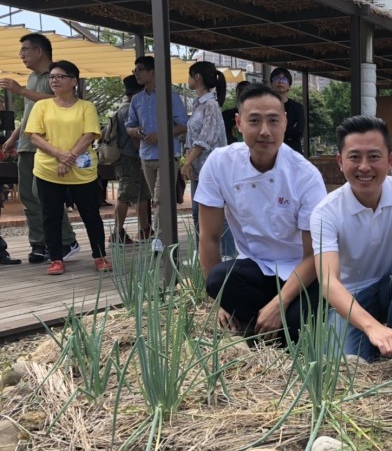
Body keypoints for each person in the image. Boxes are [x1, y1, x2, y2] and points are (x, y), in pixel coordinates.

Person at [194, 84, 326, 342]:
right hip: (257, 268)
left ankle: (263, 324)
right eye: (254, 121)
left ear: (285, 122)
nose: (265, 131)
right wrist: (222, 301)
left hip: (302, 274)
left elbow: (315, 255)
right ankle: (264, 324)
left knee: (299, 329)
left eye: (273, 120)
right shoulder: (220, 163)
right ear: (238, 123)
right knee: (219, 279)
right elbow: (208, 238)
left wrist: (281, 302)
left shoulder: (305, 175)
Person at [310, 116, 392, 363]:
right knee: (346, 365)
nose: (364, 167)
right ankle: (379, 338)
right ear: (340, 162)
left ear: (391, 160)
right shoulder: (326, 212)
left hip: (391, 289)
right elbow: (327, 282)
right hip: (351, 300)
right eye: (355, 157)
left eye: (374, 157)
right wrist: (373, 327)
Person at [25, 60, 110, 275]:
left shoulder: (86, 107)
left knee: (90, 214)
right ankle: (56, 258)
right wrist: (61, 156)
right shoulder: (41, 106)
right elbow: (35, 136)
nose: (54, 80)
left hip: (81, 171)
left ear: (73, 81)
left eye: (60, 76)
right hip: (48, 170)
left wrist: (69, 158)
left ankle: (100, 256)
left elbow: (89, 134)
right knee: (50, 215)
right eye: (52, 77)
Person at [0, 33, 80, 263]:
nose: (21, 55)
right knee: (28, 196)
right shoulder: (32, 78)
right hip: (27, 144)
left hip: (47, 146)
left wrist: (21, 91)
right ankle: (39, 243)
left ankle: (66, 240)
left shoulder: (55, 76)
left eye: (25, 50)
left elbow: (58, 102)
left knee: (43, 194)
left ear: (39, 51)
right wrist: (14, 137)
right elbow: (30, 113)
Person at [125, 55, 189, 238]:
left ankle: (159, 238)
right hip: (146, 156)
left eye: (140, 70)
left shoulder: (171, 96)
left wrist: (161, 134)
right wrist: (136, 131)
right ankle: (167, 233)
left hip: (168, 155)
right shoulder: (136, 100)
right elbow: (129, 126)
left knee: (160, 199)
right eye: (134, 70)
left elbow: (184, 124)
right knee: (158, 199)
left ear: (152, 72)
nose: (136, 74)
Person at [181, 61, 235, 258]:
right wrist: (188, 162)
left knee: (217, 212)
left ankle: (228, 255)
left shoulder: (210, 105)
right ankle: (203, 254)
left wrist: (187, 162)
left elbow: (206, 138)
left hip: (211, 169)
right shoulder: (198, 105)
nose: (187, 80)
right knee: (197, 212)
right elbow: (190, 138)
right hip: (198, 169)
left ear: (197, 78)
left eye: (189, 75)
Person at [108, 74, 151, 245]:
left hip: (132, 157)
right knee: (125, 195)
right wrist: (144, 151)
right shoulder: (127, 109)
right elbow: (134, 133)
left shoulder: (124, 107)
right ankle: (117, 232)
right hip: (129, 158)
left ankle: (145, 229)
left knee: (141, 194)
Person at [269, 67, 304, 154]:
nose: (280, 81)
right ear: (271, 83)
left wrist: (276, 132)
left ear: (289, 85)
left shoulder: (297, 107)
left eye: (284, 79)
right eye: (277, 78)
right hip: (271, 150)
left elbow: (299, 131)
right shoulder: (266, 106)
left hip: (293, 150)